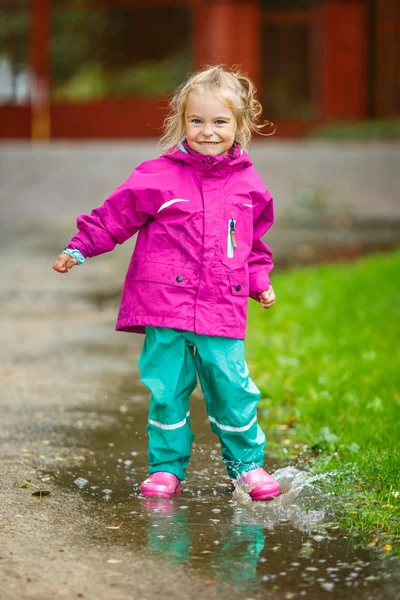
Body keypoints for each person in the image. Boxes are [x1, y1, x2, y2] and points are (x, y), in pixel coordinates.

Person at [53, 65, 279, 501]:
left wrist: (258, 279)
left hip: (221, 308)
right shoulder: (158, 176)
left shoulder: (249, 186)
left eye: (219, 122)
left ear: (240, 125)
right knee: (167, 391)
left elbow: (253, 244)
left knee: (232, 388)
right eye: (197, 121)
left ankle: (247, 467)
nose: (207, 132)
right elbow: (114, 216)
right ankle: (167, 468)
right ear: (182, 122)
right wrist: (80, 246)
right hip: (164, 304)